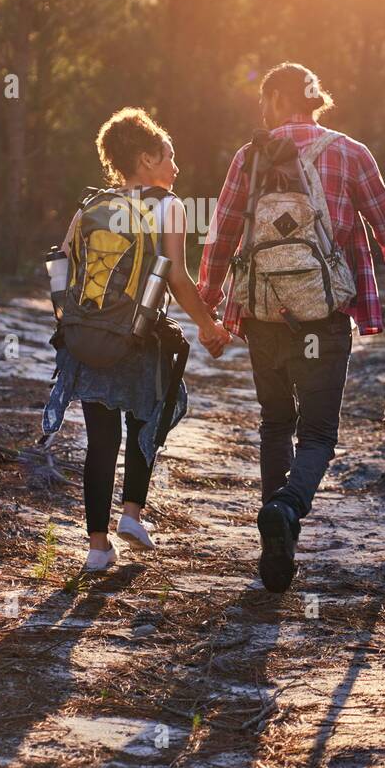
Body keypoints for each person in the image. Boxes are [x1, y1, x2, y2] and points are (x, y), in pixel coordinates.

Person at [198, 62, 385, 592]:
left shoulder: (248, 155)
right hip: (325, 315)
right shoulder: (351, 152)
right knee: (316, 433)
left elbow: (221, 236)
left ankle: (278, 540)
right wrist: (384, 242)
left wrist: (209, 305)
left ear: (272, 100)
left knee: (275, 422)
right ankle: (289, 509)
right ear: (315, 102)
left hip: (264, 313)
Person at [43, 107, 231, 573]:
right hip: (139, 337)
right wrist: (208, 325)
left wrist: (72, 324)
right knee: (147, 422)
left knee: (100, 440)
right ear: (146, 159)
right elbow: (179, 279)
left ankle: (96, 546)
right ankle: (132, 513)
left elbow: (61, 262)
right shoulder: (169, 206)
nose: (176, 166)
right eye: (169, 156)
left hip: (87, 341)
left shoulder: (90, 205)